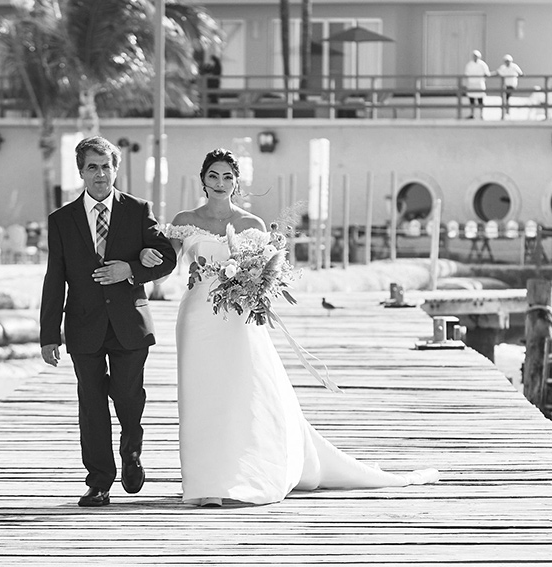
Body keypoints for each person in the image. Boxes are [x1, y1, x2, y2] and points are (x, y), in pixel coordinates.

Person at [152, 148, 439, 507]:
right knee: (200, 397)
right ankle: (204, 480)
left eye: (227, 176)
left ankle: (239, 474)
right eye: (213, 175)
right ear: (203, 179)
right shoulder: (185, 218)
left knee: (239, 395)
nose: (220, 183)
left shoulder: (252, 225)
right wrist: (146, 261)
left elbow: (267, 271)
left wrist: (255, 286)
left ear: (237, 183)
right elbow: (165, 264)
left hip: (237, 320)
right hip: (196, 319)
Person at [40, 136, 177, 507]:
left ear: (115, 169)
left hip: (129, 323)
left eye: (106, 166)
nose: (100, 174)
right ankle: (99, 481)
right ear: (81, 171)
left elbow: (167, 258)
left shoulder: (138, 210)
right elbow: (55, 278)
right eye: (92, 167)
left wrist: (130, 270)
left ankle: (131, 450)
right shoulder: (62, 220)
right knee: (92, 404)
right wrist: (48, 335)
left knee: (129, 398)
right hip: (83, 326)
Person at [463, 50, 490, 120]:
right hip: (471, 84)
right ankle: (472, 114)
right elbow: (466, 74)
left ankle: (481, 114)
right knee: (471, 99)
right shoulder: (469, 64)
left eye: (477, 56)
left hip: (479, 84)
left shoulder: (483, 64)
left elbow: (487, 73)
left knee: (480, 99)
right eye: (474, 56)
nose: (475, 57)